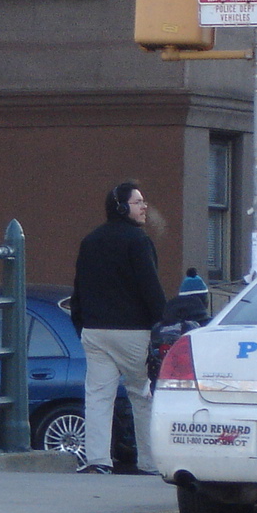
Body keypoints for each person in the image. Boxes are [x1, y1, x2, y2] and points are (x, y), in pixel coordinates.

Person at [69, 181, 166, 474]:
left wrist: (82, 325)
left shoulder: (90, 241)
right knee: (142, 394)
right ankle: (149, 463)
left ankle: (98, 460)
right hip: (134, 332)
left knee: (98, 397)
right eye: (138, 202)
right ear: (122, 208)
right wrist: (161, 324)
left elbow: (79, 290)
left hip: (96, 331)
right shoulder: (138, 241)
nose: (144, 206)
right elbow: (151, 288)